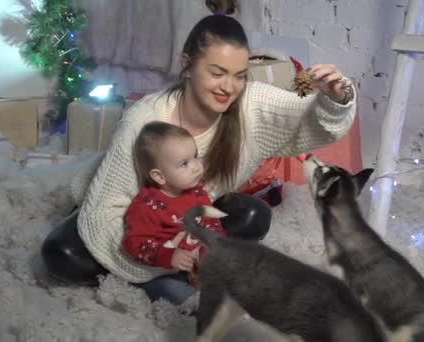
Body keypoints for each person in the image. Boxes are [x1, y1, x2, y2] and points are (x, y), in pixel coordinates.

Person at [41, 0, 357, 303]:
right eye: (217, 73)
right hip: (136, 215)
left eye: (239, 75)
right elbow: (104, 215)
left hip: (191, 209)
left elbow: (313, 121)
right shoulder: (145, 119)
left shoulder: (250, 103)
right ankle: (165, 278)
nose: (228, 87)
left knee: (253, 216)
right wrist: (163, 259)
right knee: (61, 254)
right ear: (188, 65)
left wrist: (337, 95)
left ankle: (178, 275)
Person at [123, 121, 225, 304]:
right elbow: (134, 243)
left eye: (195, 157)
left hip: (196, 263)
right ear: (159, 176)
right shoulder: (147, 205)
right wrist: (169, 255)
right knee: (175, 293)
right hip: (164, 270)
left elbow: (210, 220)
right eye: (184, 163)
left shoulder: (196, 190)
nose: (196, 166)